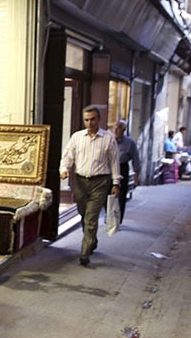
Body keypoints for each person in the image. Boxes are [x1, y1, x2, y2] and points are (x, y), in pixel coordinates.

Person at [59, 105, 120, 267]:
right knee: (83, 213)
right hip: (80, 181)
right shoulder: (77, 137)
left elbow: (114, 162)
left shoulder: (108, 138)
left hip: (100, 182)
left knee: (91, 216)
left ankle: (84, 253)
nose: (90, 123)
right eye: (86, 120)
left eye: (93, 119)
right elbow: (68, 156)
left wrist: (116, 183)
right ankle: (92, 240)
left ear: (99, 119)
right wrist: (64, 169)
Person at [112, 119, 140, 224]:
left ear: (124, 130)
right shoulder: (109, 140)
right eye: (114, 127)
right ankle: (109, 215)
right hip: (110, 168)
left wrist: (136, 174)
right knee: (107, 192)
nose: (116, 129)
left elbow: (135, 158)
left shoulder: (130, 143)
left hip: (122, 167)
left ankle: (118, 219)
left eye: (119, 127)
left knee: (121, 194)